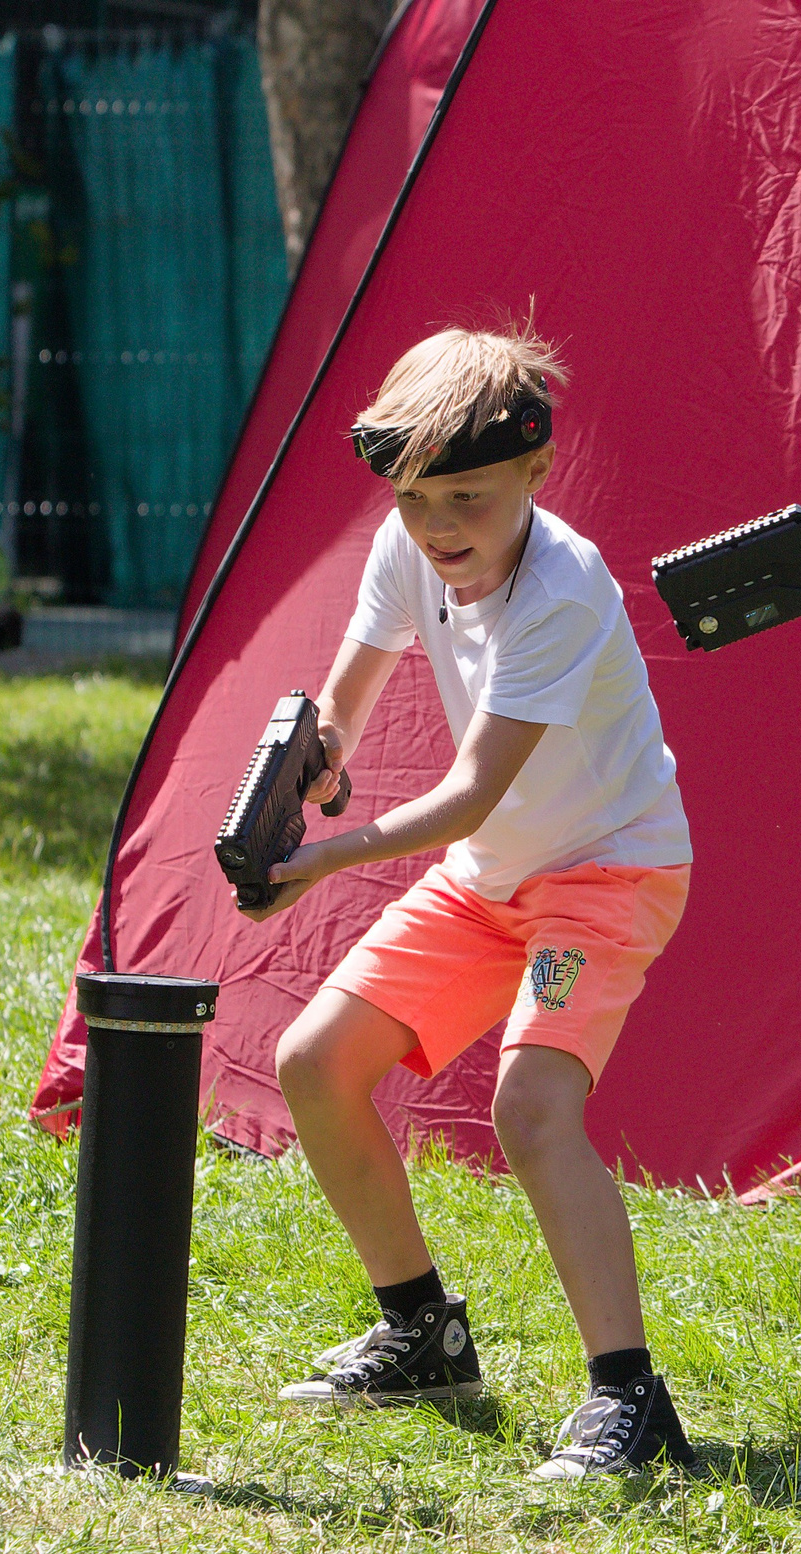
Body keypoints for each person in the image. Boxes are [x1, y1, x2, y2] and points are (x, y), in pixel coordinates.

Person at [241, 326, 699, 1481]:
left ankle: (628, 1401)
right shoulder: (409, 547)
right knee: (314, 1061)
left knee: (531, 1108)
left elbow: (466, 791)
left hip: (603, 880)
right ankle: (421, 1335)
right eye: (415, 499)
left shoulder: (563, 590)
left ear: (537, 473)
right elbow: (346, 707)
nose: (439, 527)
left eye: (468, 499)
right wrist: (315, 764)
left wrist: (316, 860)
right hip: (489, 878)